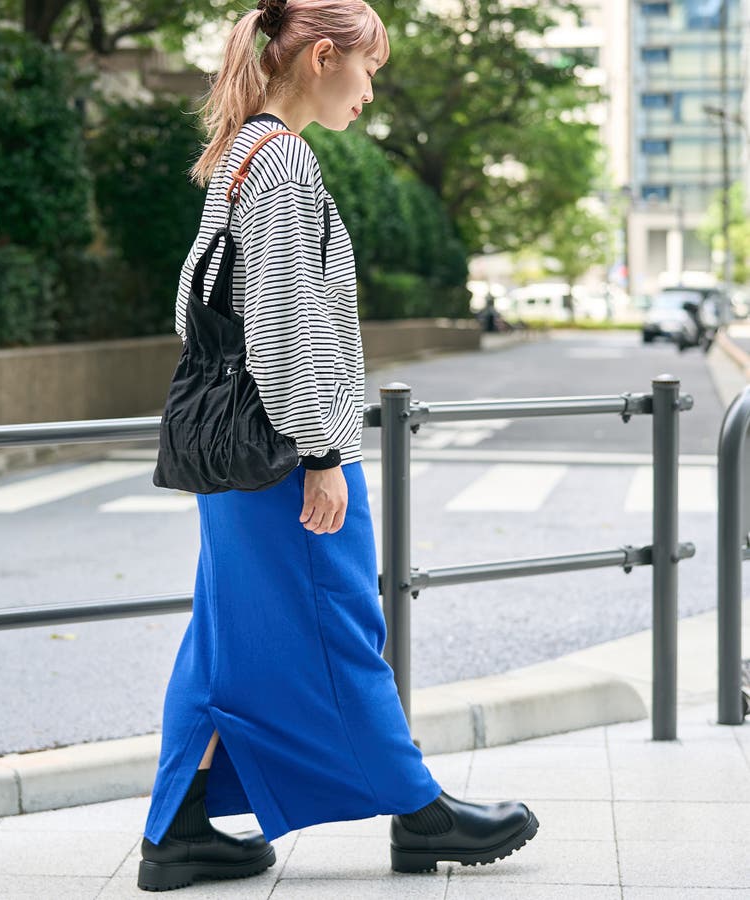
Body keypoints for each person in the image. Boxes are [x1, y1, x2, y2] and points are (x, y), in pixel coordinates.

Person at [138, 0, 539, 891]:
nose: (371, 91)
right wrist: (323, 452)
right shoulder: (282, 160)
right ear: (323, 57)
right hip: (286, 452)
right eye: (369, 69)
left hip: (232, 450)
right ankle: (418, 810)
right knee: (340, 622)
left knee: (221, 636)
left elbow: (193, 309)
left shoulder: (240, 151)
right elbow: (286, 323)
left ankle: (180, 826)